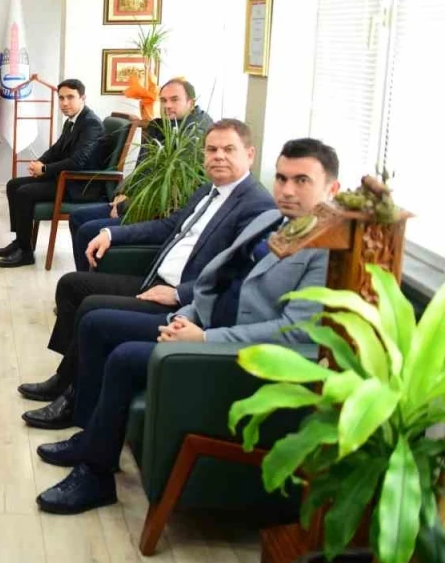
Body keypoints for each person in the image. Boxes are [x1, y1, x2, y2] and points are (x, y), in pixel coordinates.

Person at [34, 139, 340, 515]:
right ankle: (89, 437)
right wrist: (190, 315)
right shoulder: (273, 221)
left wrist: (205, 337)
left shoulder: (328, 250)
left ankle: (96, 475)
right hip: (200, 322)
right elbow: (221, 280)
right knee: (98, 323)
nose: (287, 190)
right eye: (281, 178)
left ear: (332, 188)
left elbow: (296, 333)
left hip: (233, 353)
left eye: (302, 181)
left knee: (125, 357)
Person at [18, 119, 277, 429]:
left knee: (91, 309)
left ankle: (74, 400)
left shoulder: (257, 206)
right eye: (212, 149)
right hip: (154, 279)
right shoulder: (208, 190)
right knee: (72, 285)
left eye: (228, 149)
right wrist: (111, 234)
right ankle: (67, 377)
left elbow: (237, 276)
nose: (218, 156)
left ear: (250, 154)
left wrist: (180, 294)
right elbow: (168, 226)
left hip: (180, 299)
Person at [68, 78, 213, 271]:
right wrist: (123, 192)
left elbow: (170, 188)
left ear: (191, 103)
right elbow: (142, 168)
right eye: (163, 100)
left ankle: (90, 280)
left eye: (174, 99)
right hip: (138, 202)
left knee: (87, 230)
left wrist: (125, 206)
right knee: (77, 217)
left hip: (163, 211)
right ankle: (85, 278)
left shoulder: (197, 132)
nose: (167, 106)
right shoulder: (159, 126)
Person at [0, 79, 105, 268]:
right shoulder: (72, 121)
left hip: (79, 184)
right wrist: (40, 162)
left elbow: (78, 162)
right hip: (65, 178)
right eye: (61, 98)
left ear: (83, 98)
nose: (65, 103)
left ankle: (26, 254)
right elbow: (56, 150)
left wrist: (45, 169)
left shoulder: (91, 124)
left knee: (24, 193)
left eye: (70, 97)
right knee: (13, 185)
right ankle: (21, 241)